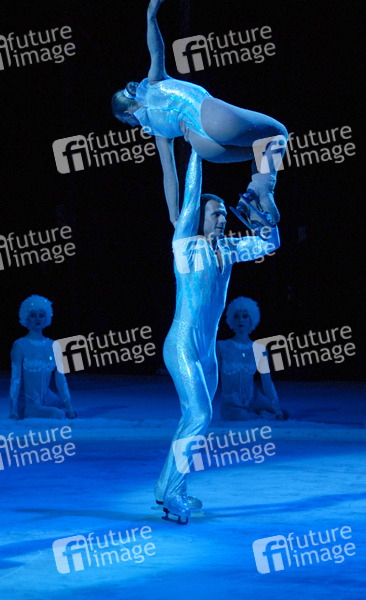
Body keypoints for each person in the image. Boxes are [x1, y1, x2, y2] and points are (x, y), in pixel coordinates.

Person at [154, 149, 281, 524]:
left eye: (225, 213)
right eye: (216, 213)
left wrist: (260, 209)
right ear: (199, 219)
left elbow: (271, 243)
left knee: (192, 419)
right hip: (181, 346)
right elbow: (191, 195)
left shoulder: (228, 249)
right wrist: (197, 150)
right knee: (199, 414)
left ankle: (167, 486)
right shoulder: (185, 246)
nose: (223, 217)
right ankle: (172, 494)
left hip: (206, 353)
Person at [112, 0, 288, 229]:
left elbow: (169, 175)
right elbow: (156, 50)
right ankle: (261, 190)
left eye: (125, 122)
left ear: (127, 112)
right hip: (212, 119)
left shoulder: (159, 133)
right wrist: (151, 15)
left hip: (204, 148)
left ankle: (253, 202)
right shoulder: (155, 82)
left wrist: (175, 218)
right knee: (278, 134)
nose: (130, 126)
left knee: (259, 151)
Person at [217, 296, 288, 421]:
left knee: (282, 413)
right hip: (232, 405)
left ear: (252, 319)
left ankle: (261, 412)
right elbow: (210, 377)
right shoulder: (222, 346)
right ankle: (258, 415)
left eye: (245, 316)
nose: (241, 320)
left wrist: (276, 407)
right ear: (231, 319)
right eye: (236, 316)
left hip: (255, 400)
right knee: (244, 416)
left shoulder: (260, 349)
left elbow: (267, 383)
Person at [9, 295, 76, 420]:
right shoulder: (20, 345)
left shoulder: (54, 345)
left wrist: (69, 406)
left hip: (49, 399)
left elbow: (61, 379)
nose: (37, 319)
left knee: (64, 410)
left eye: (41, 315)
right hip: (29, 404)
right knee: (58, 414)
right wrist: (13, 410)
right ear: (26, 317)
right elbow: (16, 379)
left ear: (47, 317)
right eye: (33, 315)